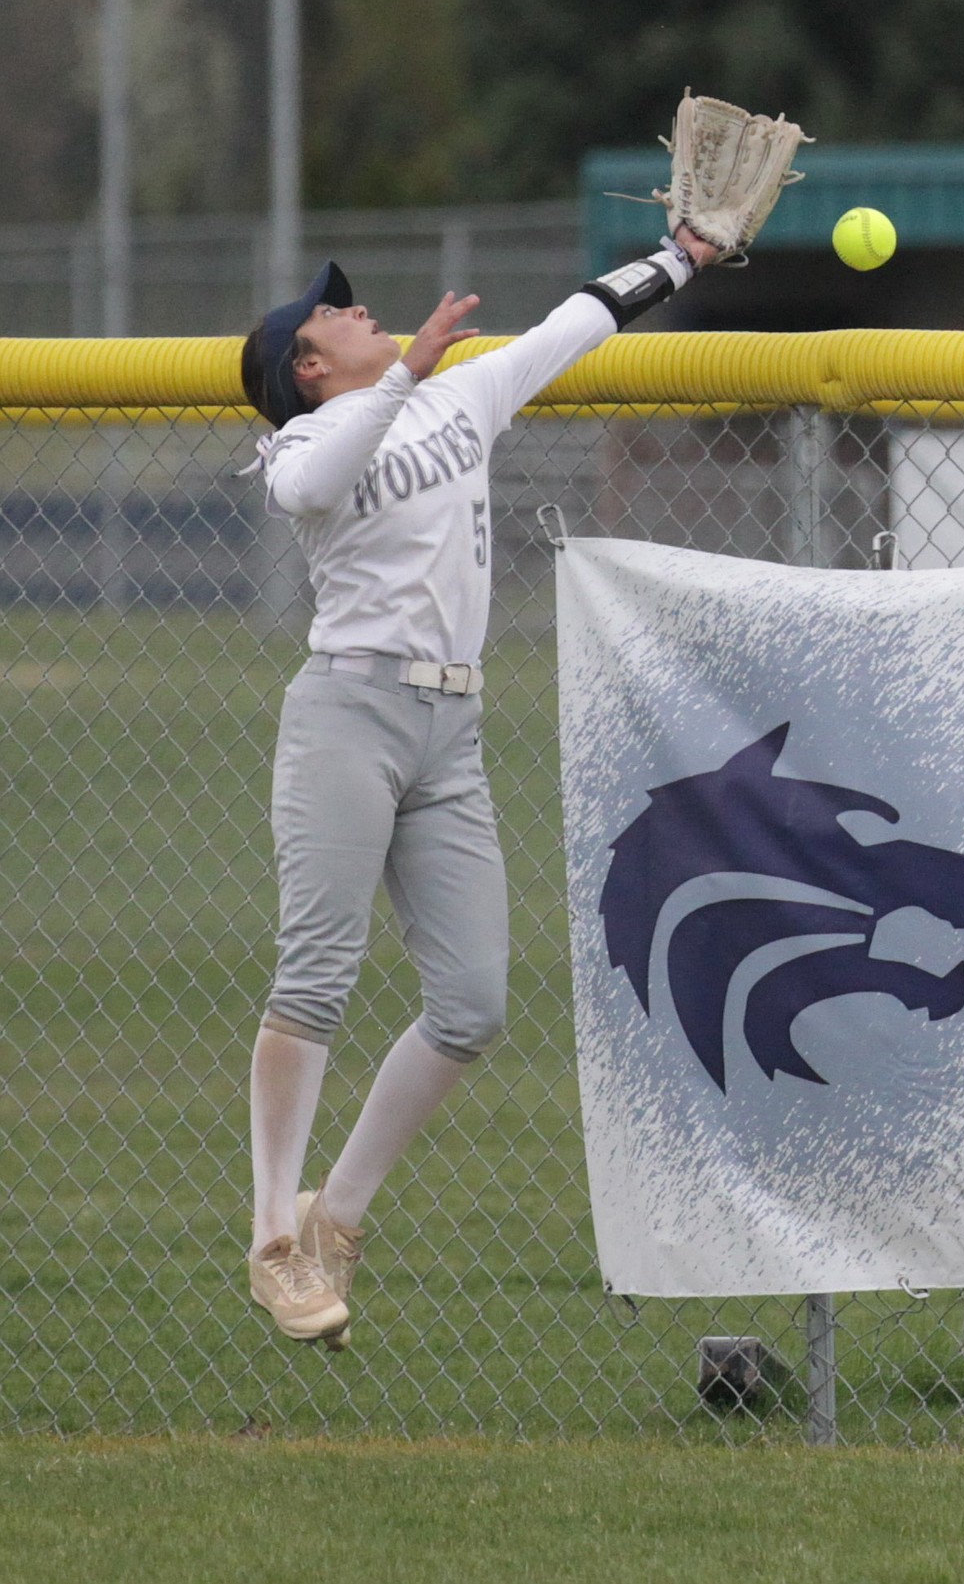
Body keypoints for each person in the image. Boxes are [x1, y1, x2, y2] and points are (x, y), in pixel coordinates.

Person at [239, 224, 721, 1346]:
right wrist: (407, 370)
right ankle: (272, 1242)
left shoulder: (460, 399)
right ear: (309, 370)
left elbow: (577, 324)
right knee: (316, 974)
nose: (359, 311)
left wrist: (683, 255)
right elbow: (315, 481)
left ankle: (335, 1218)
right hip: (348, 715)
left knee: (473, 1004)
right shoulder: (301, 443)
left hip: (449, 731)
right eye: (334, 314)